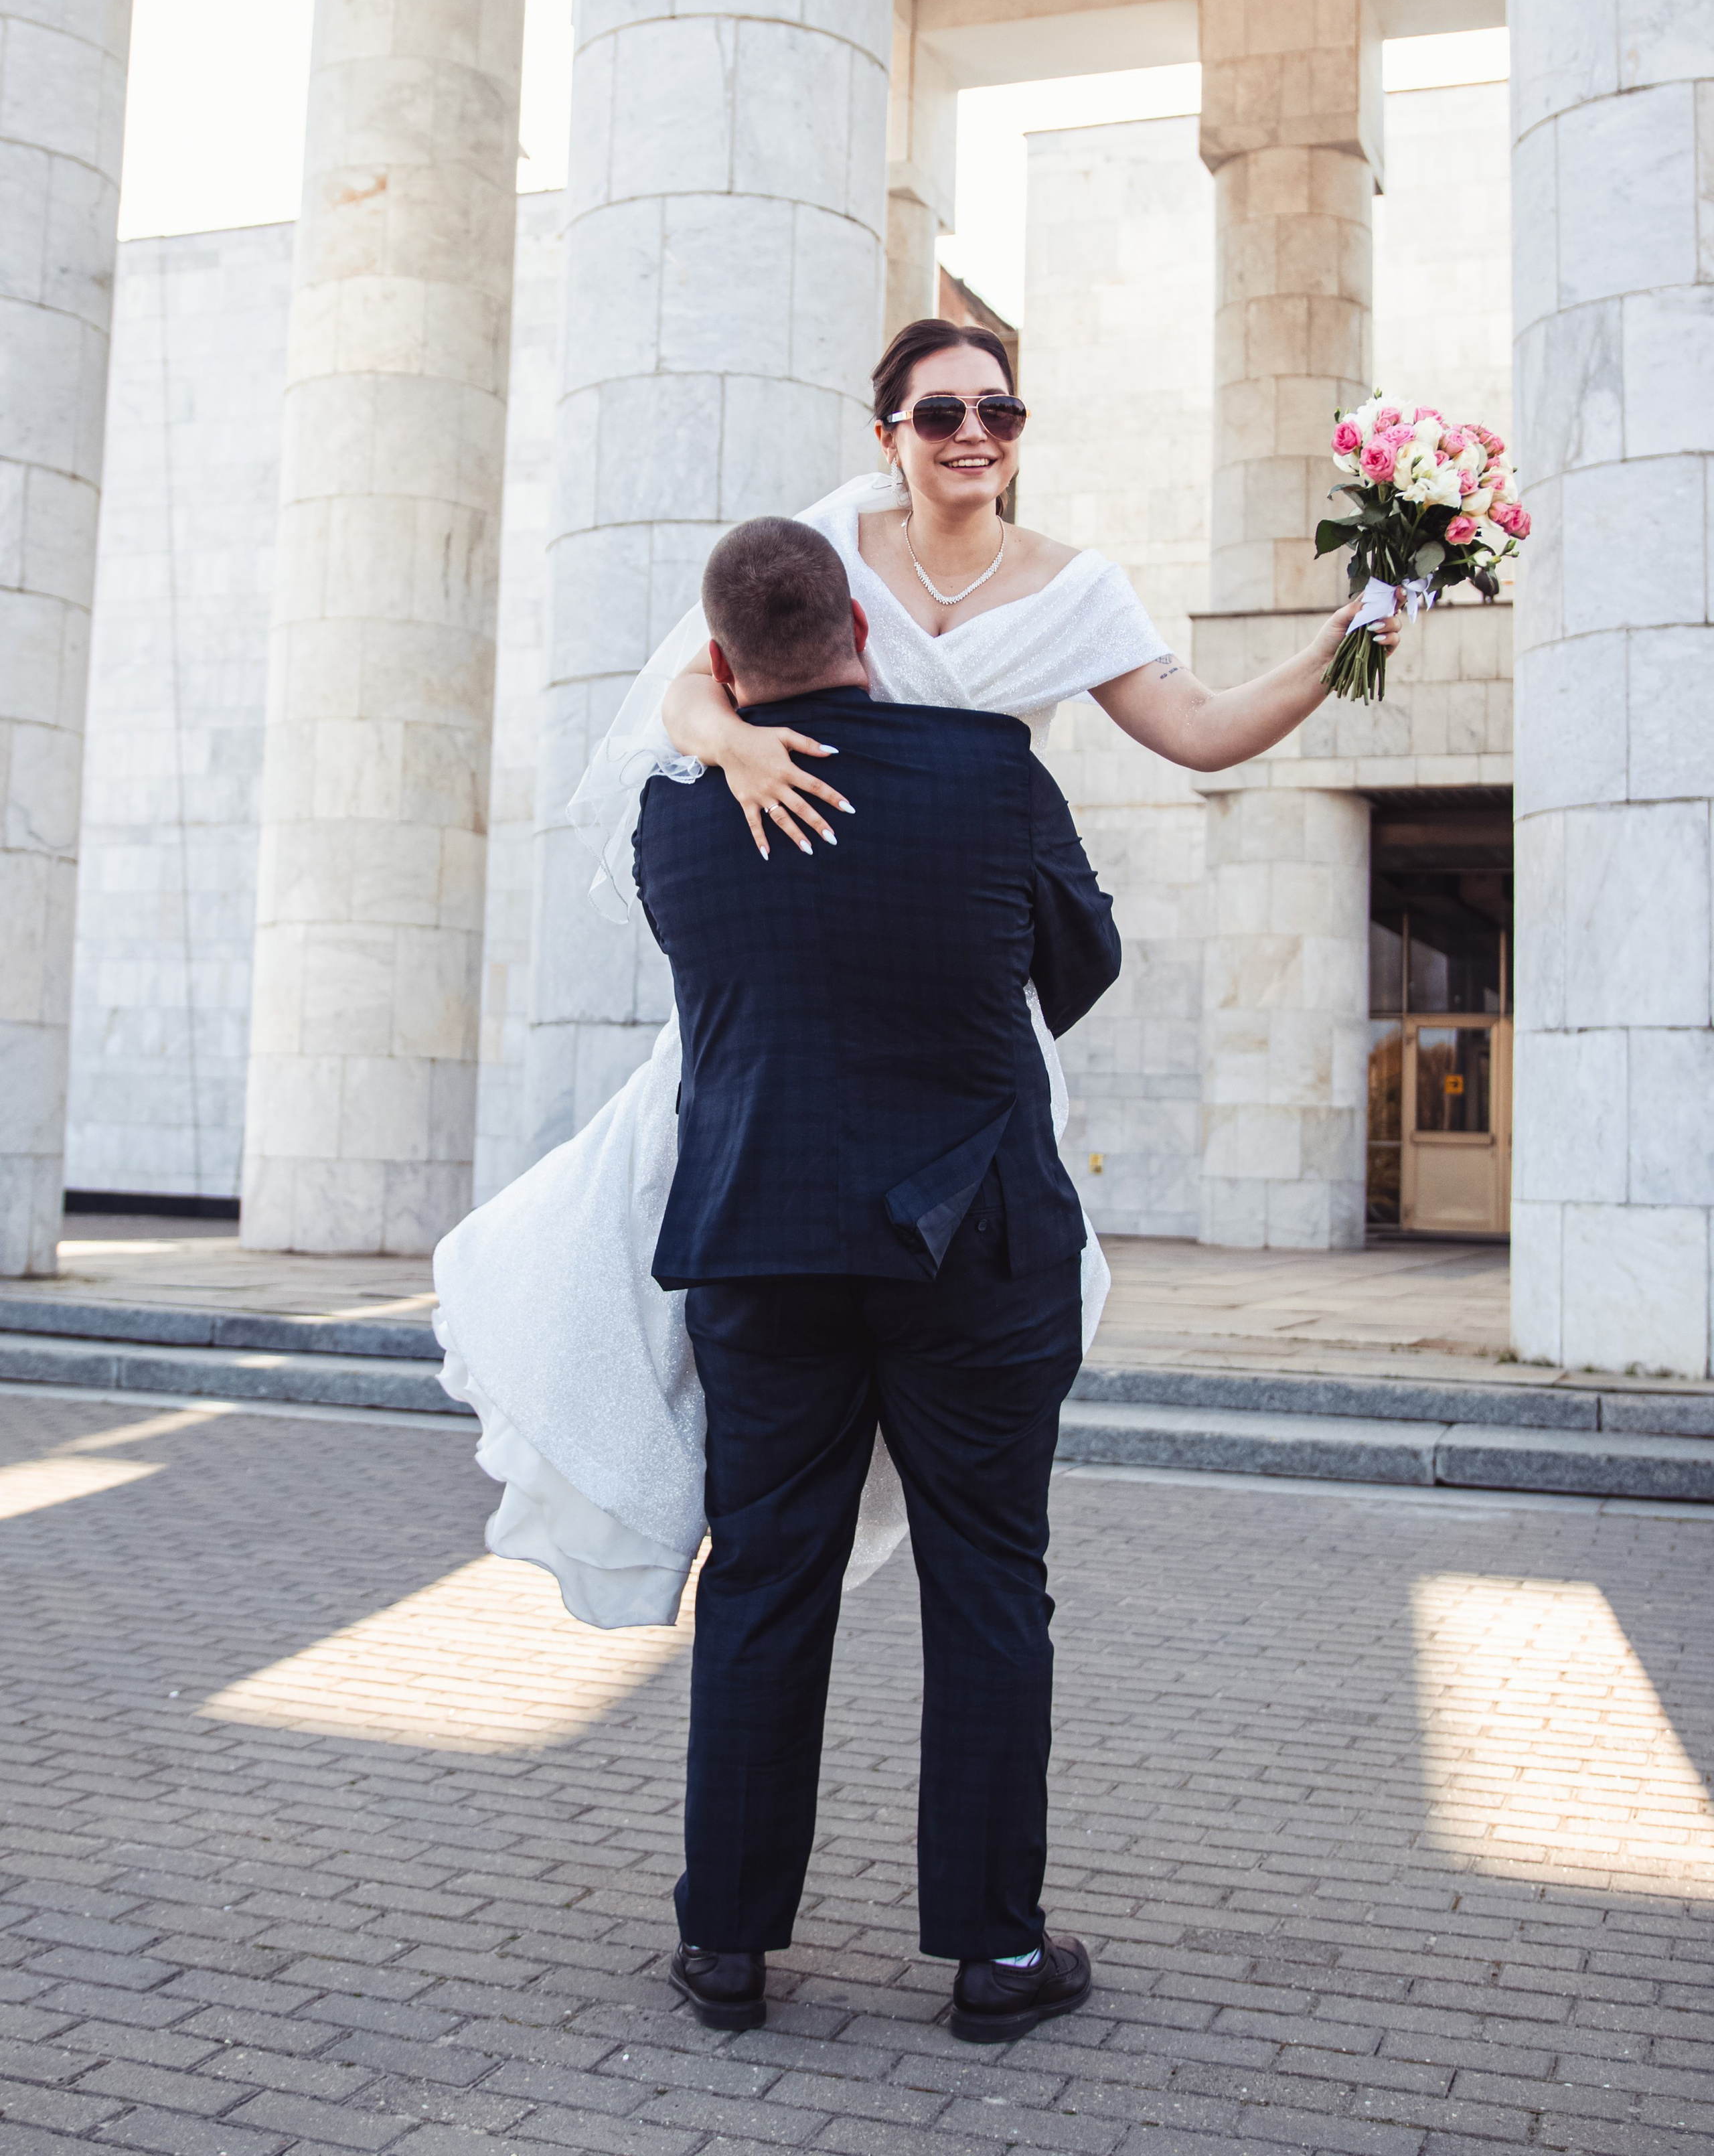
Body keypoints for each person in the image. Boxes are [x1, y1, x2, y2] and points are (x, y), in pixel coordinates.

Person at [433, 317, 1401, 1627]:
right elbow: (683, 690)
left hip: (946, 978)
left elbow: (1203, 729)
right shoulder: (825, 546)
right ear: (883, 432)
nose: (970, 438)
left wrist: (1345, 638)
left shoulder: (1081, 589)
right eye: (938, 415)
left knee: (952, 1429)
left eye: (997, 414)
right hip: (809, 938)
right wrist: (737, 751)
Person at [634, 514, 1120, 2039]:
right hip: (971, 1242)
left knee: (763, 1580)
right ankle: (991, 1954)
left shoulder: (674, 817)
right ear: (862, 621)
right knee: (987, 1583)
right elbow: (1081, 965)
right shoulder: (990, 776)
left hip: (761, 1244)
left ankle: (726, 1948)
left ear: (719, 661)